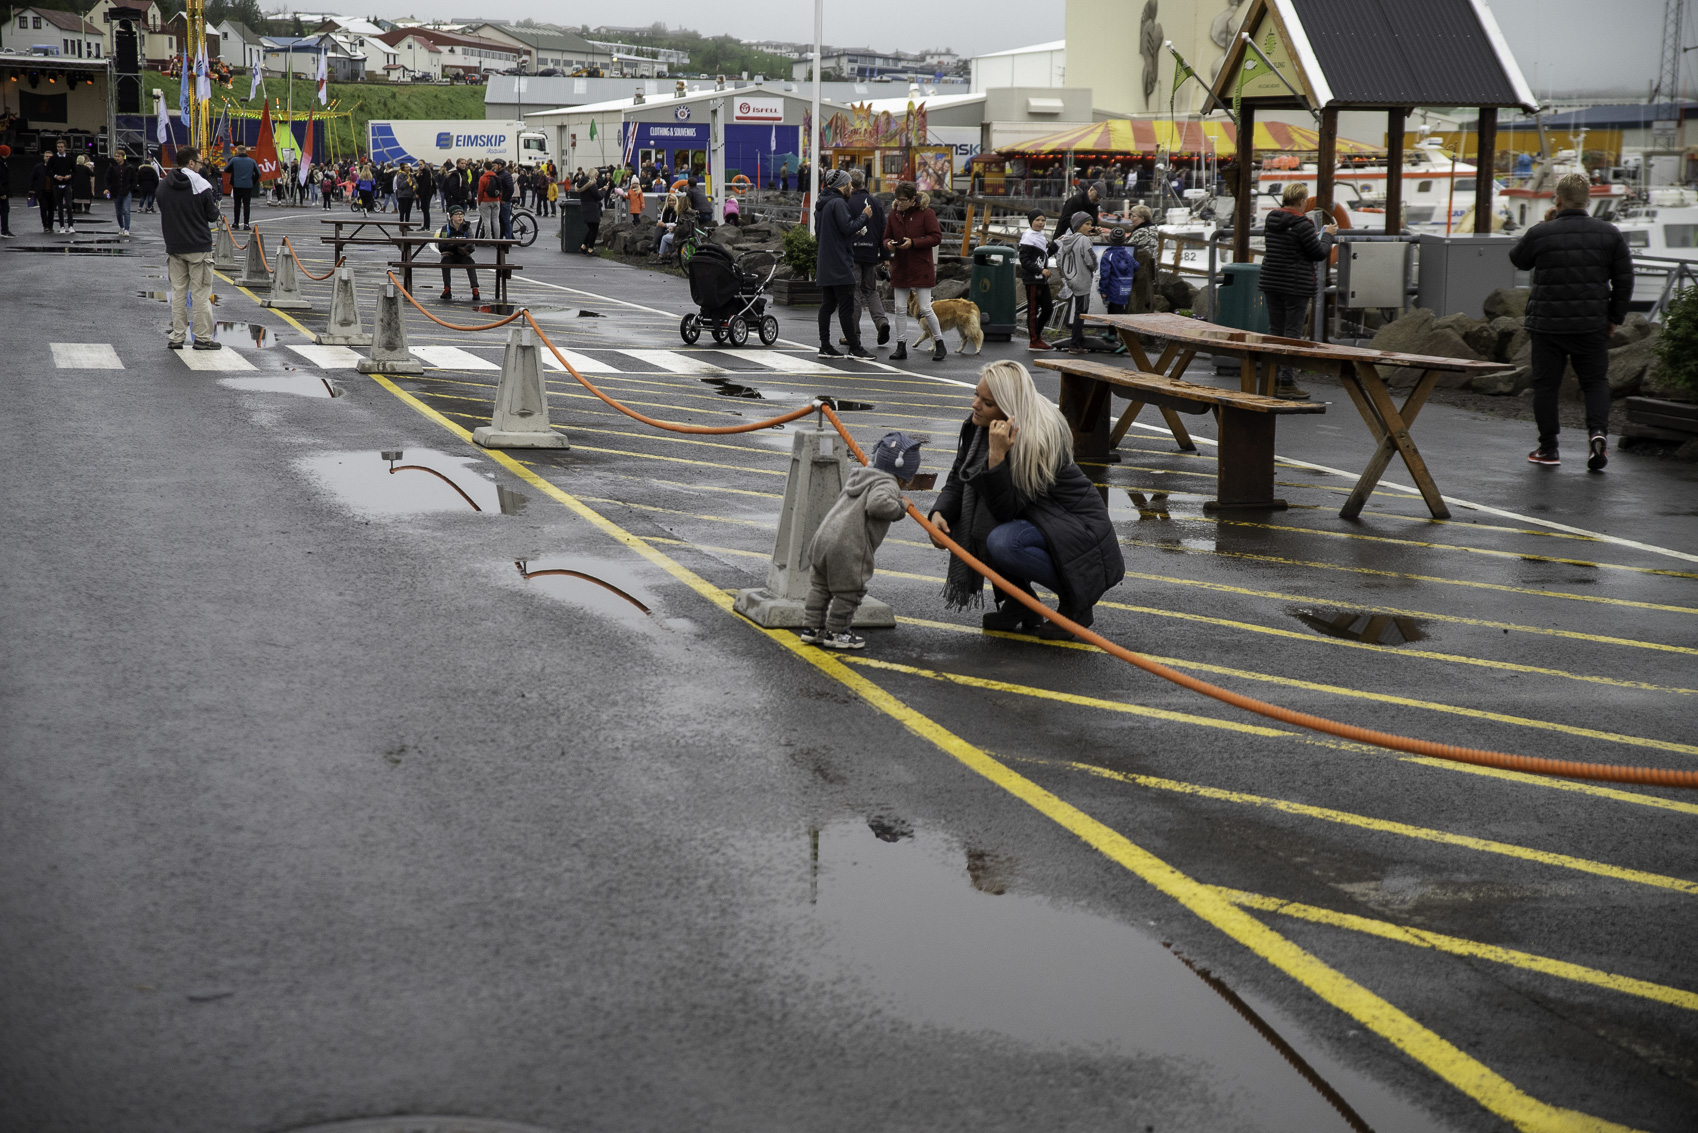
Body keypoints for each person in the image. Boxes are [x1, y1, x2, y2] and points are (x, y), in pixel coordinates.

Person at [928, 361, 1124, 640]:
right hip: (1042, 520)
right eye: (976, 396)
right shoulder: (982, 426)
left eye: (986, 402)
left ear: (1009, 408)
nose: (975, 405)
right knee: (980, 523)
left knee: (1002, 542)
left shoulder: (1036, 437)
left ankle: (1076, 603)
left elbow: (1004, 510)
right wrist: (940, 512)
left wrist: (996, 459)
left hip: (1076, 527)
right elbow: (959, 477)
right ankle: (1021, 603)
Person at [1510, 171, 1634, 470]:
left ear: (1559, 199)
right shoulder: (1610, 233)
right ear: (1588, 200)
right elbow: (1624, 280)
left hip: (1547, 325)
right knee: (1594, 383)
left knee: (1546, 387)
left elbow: (1518, 259)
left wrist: (1546, 223)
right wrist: (1614, 317)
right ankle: (1598, 435)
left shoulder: (1543, 233)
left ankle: (1549, 449)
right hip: (1592, 324)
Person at [799, 431, 923, 651]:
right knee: (849, 592)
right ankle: (837, 632)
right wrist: (901, 507)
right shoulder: (888, 484)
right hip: (848, 546)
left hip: (823, 538)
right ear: (904, 475)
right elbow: (877, 505)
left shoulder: (861, 475)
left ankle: (812, 629)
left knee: (820, 586)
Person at [1258, 181, 1337, 399]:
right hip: (1295, 285)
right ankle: (1286, 382)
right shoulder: (1303, 223)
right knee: (1292, 334)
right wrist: (1328, 235)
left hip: (1272, 281)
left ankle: (1272, 379)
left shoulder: (1271, 219)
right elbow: (1318, 253)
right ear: (1302, 201)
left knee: (1275, 331)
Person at [157, 145, 223, 351]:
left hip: (175, 246)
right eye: (200, 162)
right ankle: (202, 338)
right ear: (191, 162)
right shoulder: (200, 185)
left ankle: (177, 337)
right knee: (200, 294)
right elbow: (212, 215)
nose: (202, 166)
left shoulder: (164, 185)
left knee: (178, 293)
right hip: (198, 247)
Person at [814, 169, 874, 359]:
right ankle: (855, 348)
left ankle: (825, 346)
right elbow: (847, 227)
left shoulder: (821, 204)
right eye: (849, 184)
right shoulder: (838, 203)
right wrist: (864, 216)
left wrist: (853, 233)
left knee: (828, 305)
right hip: (840, 263)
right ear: (843, 184)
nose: (851, 188)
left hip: (825, 262)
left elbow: (825, 233)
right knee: (846, 307)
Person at [882, 181, 944, 363]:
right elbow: (886, 236)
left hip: (921, 265)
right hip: (901, 265)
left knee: (925, 307)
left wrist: (914, 243)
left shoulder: (927, 213)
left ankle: (940, 342)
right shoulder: (894, 215)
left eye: (903, 200)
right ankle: (901, 345)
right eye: (897, 200)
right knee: (900, 308)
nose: (899, 203)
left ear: (912, 199)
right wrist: (888, 245)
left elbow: (936, 237)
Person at [846, 168, 890, 347]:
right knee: (871, 291)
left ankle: (853, 334)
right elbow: (883, 231)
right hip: (871, 254)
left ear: (850, 184)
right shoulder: (876, 202)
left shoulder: (846, 202)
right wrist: (885, 256)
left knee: (854, 292)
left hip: (853, 253)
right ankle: (881, 322)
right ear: (863, 183)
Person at [1054, 212, 1098, 353]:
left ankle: (1076, 340)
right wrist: (1094, 267)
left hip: (1071, 280)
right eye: (1087, 224)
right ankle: (1075, 343)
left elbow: (1059, 260)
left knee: (1077, 311)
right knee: (1081, 312)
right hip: (1083, 280)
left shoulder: (1066, 240)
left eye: (1090, 224)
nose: (1090, 227)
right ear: (1078, 225)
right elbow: (1091, 259)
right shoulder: (1084, 241)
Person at [1018, 209, 1054, 351]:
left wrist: (1057, 244)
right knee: (1033, 310)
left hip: (1042, 279)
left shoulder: (1041, 237)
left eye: (1043, 220)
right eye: (1037, 220)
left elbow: (1044, 255)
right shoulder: (1027, 238)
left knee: (1048, 308)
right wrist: (1040, 270)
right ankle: (1034, 340)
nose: (1040, 223)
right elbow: (1024, 260)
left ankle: (1035, 333)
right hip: (1032, 279)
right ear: (1031, 221)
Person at [1096, 227, 1137, 345]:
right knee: (1119, 312)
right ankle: (1112, 334)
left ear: (1111, 239)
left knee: (1114, 313)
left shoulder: (1108, 255)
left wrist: (1102, 290)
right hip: (1126, 289)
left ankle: (1124, 342)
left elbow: (1105, 274)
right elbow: (1136, 266)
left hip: (1113, 289)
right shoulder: (1127, 254)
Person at [437, 204, 480, 302]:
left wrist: (463, 248)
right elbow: (441, 246)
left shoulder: (467, 228)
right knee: (445, 261)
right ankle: (447, 288)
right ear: (451, 216)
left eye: (462, 214)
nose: (460, 216)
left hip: (463, 254)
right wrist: (453, 246)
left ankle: (475, 288)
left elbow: (472, 246)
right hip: (450, 254)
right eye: (457, 214)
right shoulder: (445, 229)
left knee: (470, 262)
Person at [103, 149, 137, 238]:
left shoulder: (129, 167)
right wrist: (108, 188)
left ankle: (127, 228)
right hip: (116, 192)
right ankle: (121, 227)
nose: (117, 158)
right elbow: (107, 178)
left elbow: (134, 179)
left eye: (119, 156)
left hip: (126, 191)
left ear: (123, 157)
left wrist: (130, 188)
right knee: (118, 212)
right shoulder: (112, 167)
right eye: (116, 156)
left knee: (126, 210)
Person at [47, 138, 77, 233]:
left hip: (67, 184)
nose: (59, 148)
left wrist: (70, 176)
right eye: (58, 147)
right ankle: (62, 226)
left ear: (65, 148)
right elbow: (47, 171)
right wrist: (55, 176)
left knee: (68, 205)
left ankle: (71, 225)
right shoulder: (53, 158)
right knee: (59, 206)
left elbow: (75, 171)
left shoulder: (70, 159)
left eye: (61, 147)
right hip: (57, 185)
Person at [226, 144, 258, 229]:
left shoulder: (234, 160)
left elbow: (226, 169)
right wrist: (252, 182)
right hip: (248, 185)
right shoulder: (252, 161)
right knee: (246, 205)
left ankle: (236, 222)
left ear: (238, 151)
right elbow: (258, 173)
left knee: (237, 204)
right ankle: (246, 224)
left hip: (237, 185)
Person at [578, 176, 603, 255]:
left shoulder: (583, 186)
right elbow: (599, 197)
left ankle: (583, 246)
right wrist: (604, 190)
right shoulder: (591, 185)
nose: (596, 178)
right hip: (592, 209)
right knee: (594, 229)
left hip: (585, 209)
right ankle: (590, 249)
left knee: (591, 229)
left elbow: (591, 195)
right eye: (596, 175)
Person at [413, 160, 434, 231]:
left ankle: (426, 226)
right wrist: (417, 176)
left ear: (424, 164)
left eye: (421, 164)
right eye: (418, 165)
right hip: (425, 193)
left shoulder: (426, 172)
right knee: (424, 209)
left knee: (425, 209)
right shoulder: (423, 172)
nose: (419, 166)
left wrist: (419, 193)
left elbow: (424, 184)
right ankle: (425, 226)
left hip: (426, 194)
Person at [0, 144, 11, 238]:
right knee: (4, 209)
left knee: (4, 209)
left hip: (3, 189)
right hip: (2, 191)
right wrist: (2, 192)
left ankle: (5, 229)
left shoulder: (3, 162)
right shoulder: (1, 163)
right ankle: (4, 230)